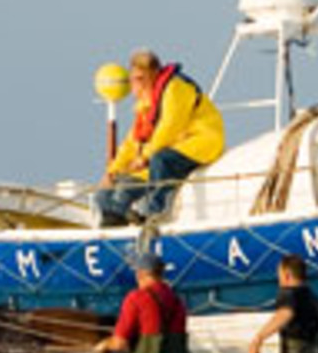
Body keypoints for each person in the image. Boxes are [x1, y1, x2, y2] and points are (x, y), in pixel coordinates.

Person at [95, 50, 225, 226]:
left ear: (154, 75)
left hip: (200, 141)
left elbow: (170, 127)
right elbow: (132, 142)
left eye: (141, 78)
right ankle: (120, 225)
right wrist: (112, 171)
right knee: (107, 193)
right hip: (164, 149)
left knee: (160, 160)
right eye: (134, 78)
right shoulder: (145, 105)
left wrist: (145, 156)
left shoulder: (176, 88)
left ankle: (155, 212)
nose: (136, 84)